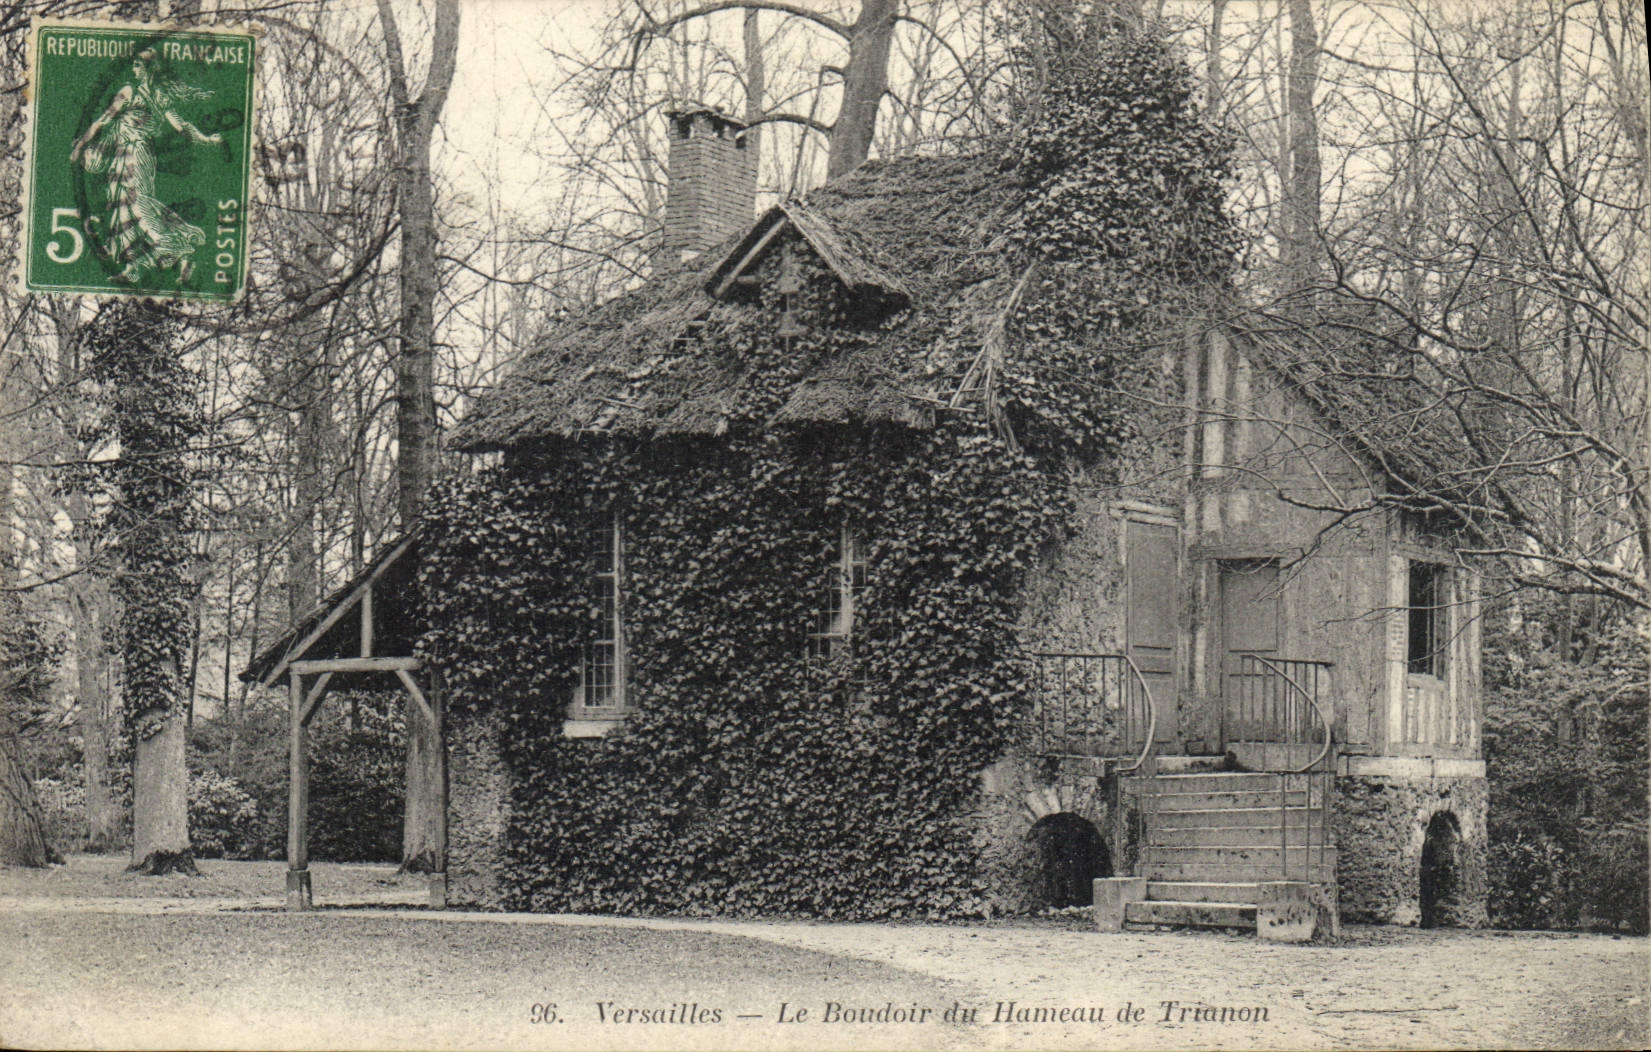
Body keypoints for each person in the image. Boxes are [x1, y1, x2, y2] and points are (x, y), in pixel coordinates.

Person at [69, 48, 221, 286]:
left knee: (137, 207)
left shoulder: (133, 93)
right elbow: (182, 127)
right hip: (134, 154)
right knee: (125, 208)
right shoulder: (157, 96)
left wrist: (80, 146)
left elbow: (105, 120)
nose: (134, 69)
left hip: (134, 154)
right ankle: (136, 267)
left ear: (150, 69)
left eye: (138, 65)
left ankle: (180, 251)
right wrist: (205, 138)